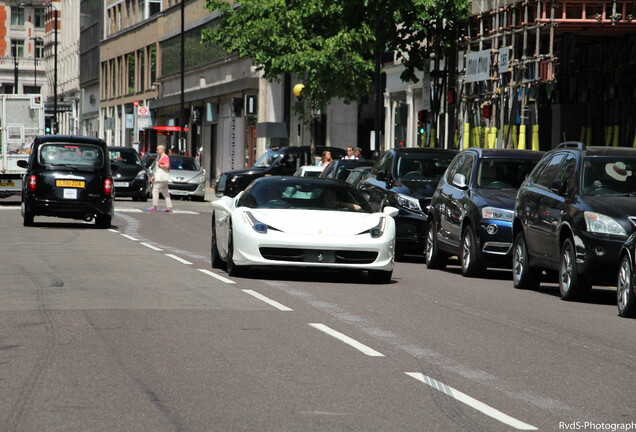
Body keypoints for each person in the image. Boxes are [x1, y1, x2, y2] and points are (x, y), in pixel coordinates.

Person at [147, 144, 173, 212]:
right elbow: (159, 169)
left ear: (162, 150)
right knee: (165, 192)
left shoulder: (165, 157)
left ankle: (154, 206)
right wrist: (153, 176)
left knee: (155, 190)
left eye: (158, 150)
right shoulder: (161, 157)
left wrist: (159, 165)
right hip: (164, 177)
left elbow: (167, 166)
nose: (157, 151)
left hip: (161, 178)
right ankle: (169, 207)